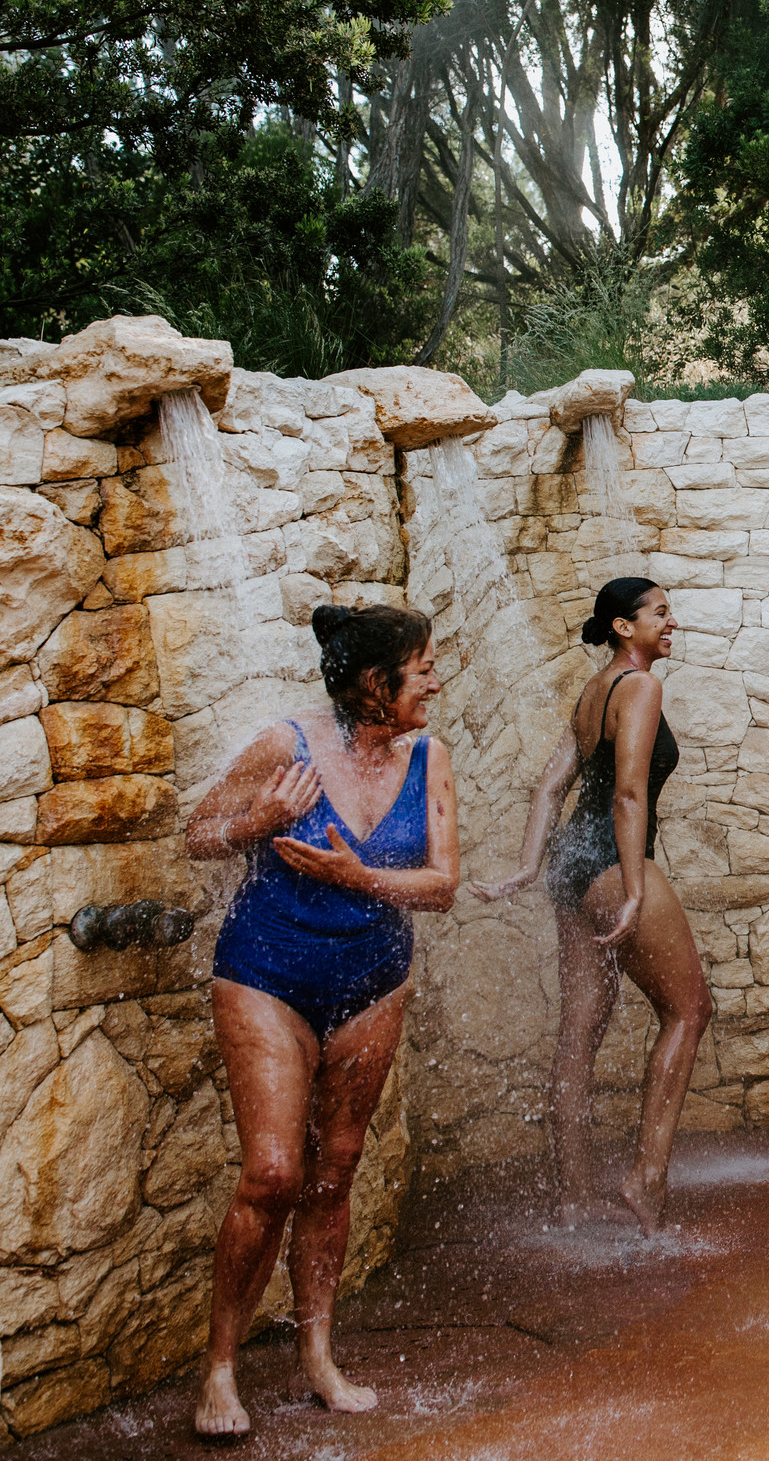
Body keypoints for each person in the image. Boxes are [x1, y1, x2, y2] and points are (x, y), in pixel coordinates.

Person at [185, 604, 461, 1438]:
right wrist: (260, 823)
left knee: (333, 1176)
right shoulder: (284, 745)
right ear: (375, 683)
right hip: (267, 974)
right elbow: (200, 836)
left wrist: (358, 876)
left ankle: (317, 1357)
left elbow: (443, 884)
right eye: (421, 670)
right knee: (271, 1174)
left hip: (373, 982)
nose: (435, 682)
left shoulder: (428, 756)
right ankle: (220, 1370)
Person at [474, 579, 710, 1235]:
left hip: (569, 863)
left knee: (580, 1030)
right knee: (690, 1009)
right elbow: (628, 795)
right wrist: (634, 888)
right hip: (608, 860)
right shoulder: (638, 687)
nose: (671, 623)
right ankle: (645, 1177)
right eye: (659, 613)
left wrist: (529, 866)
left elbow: (551, 788)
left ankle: (572, 1195)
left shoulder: (592, 691)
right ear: (621, 626)